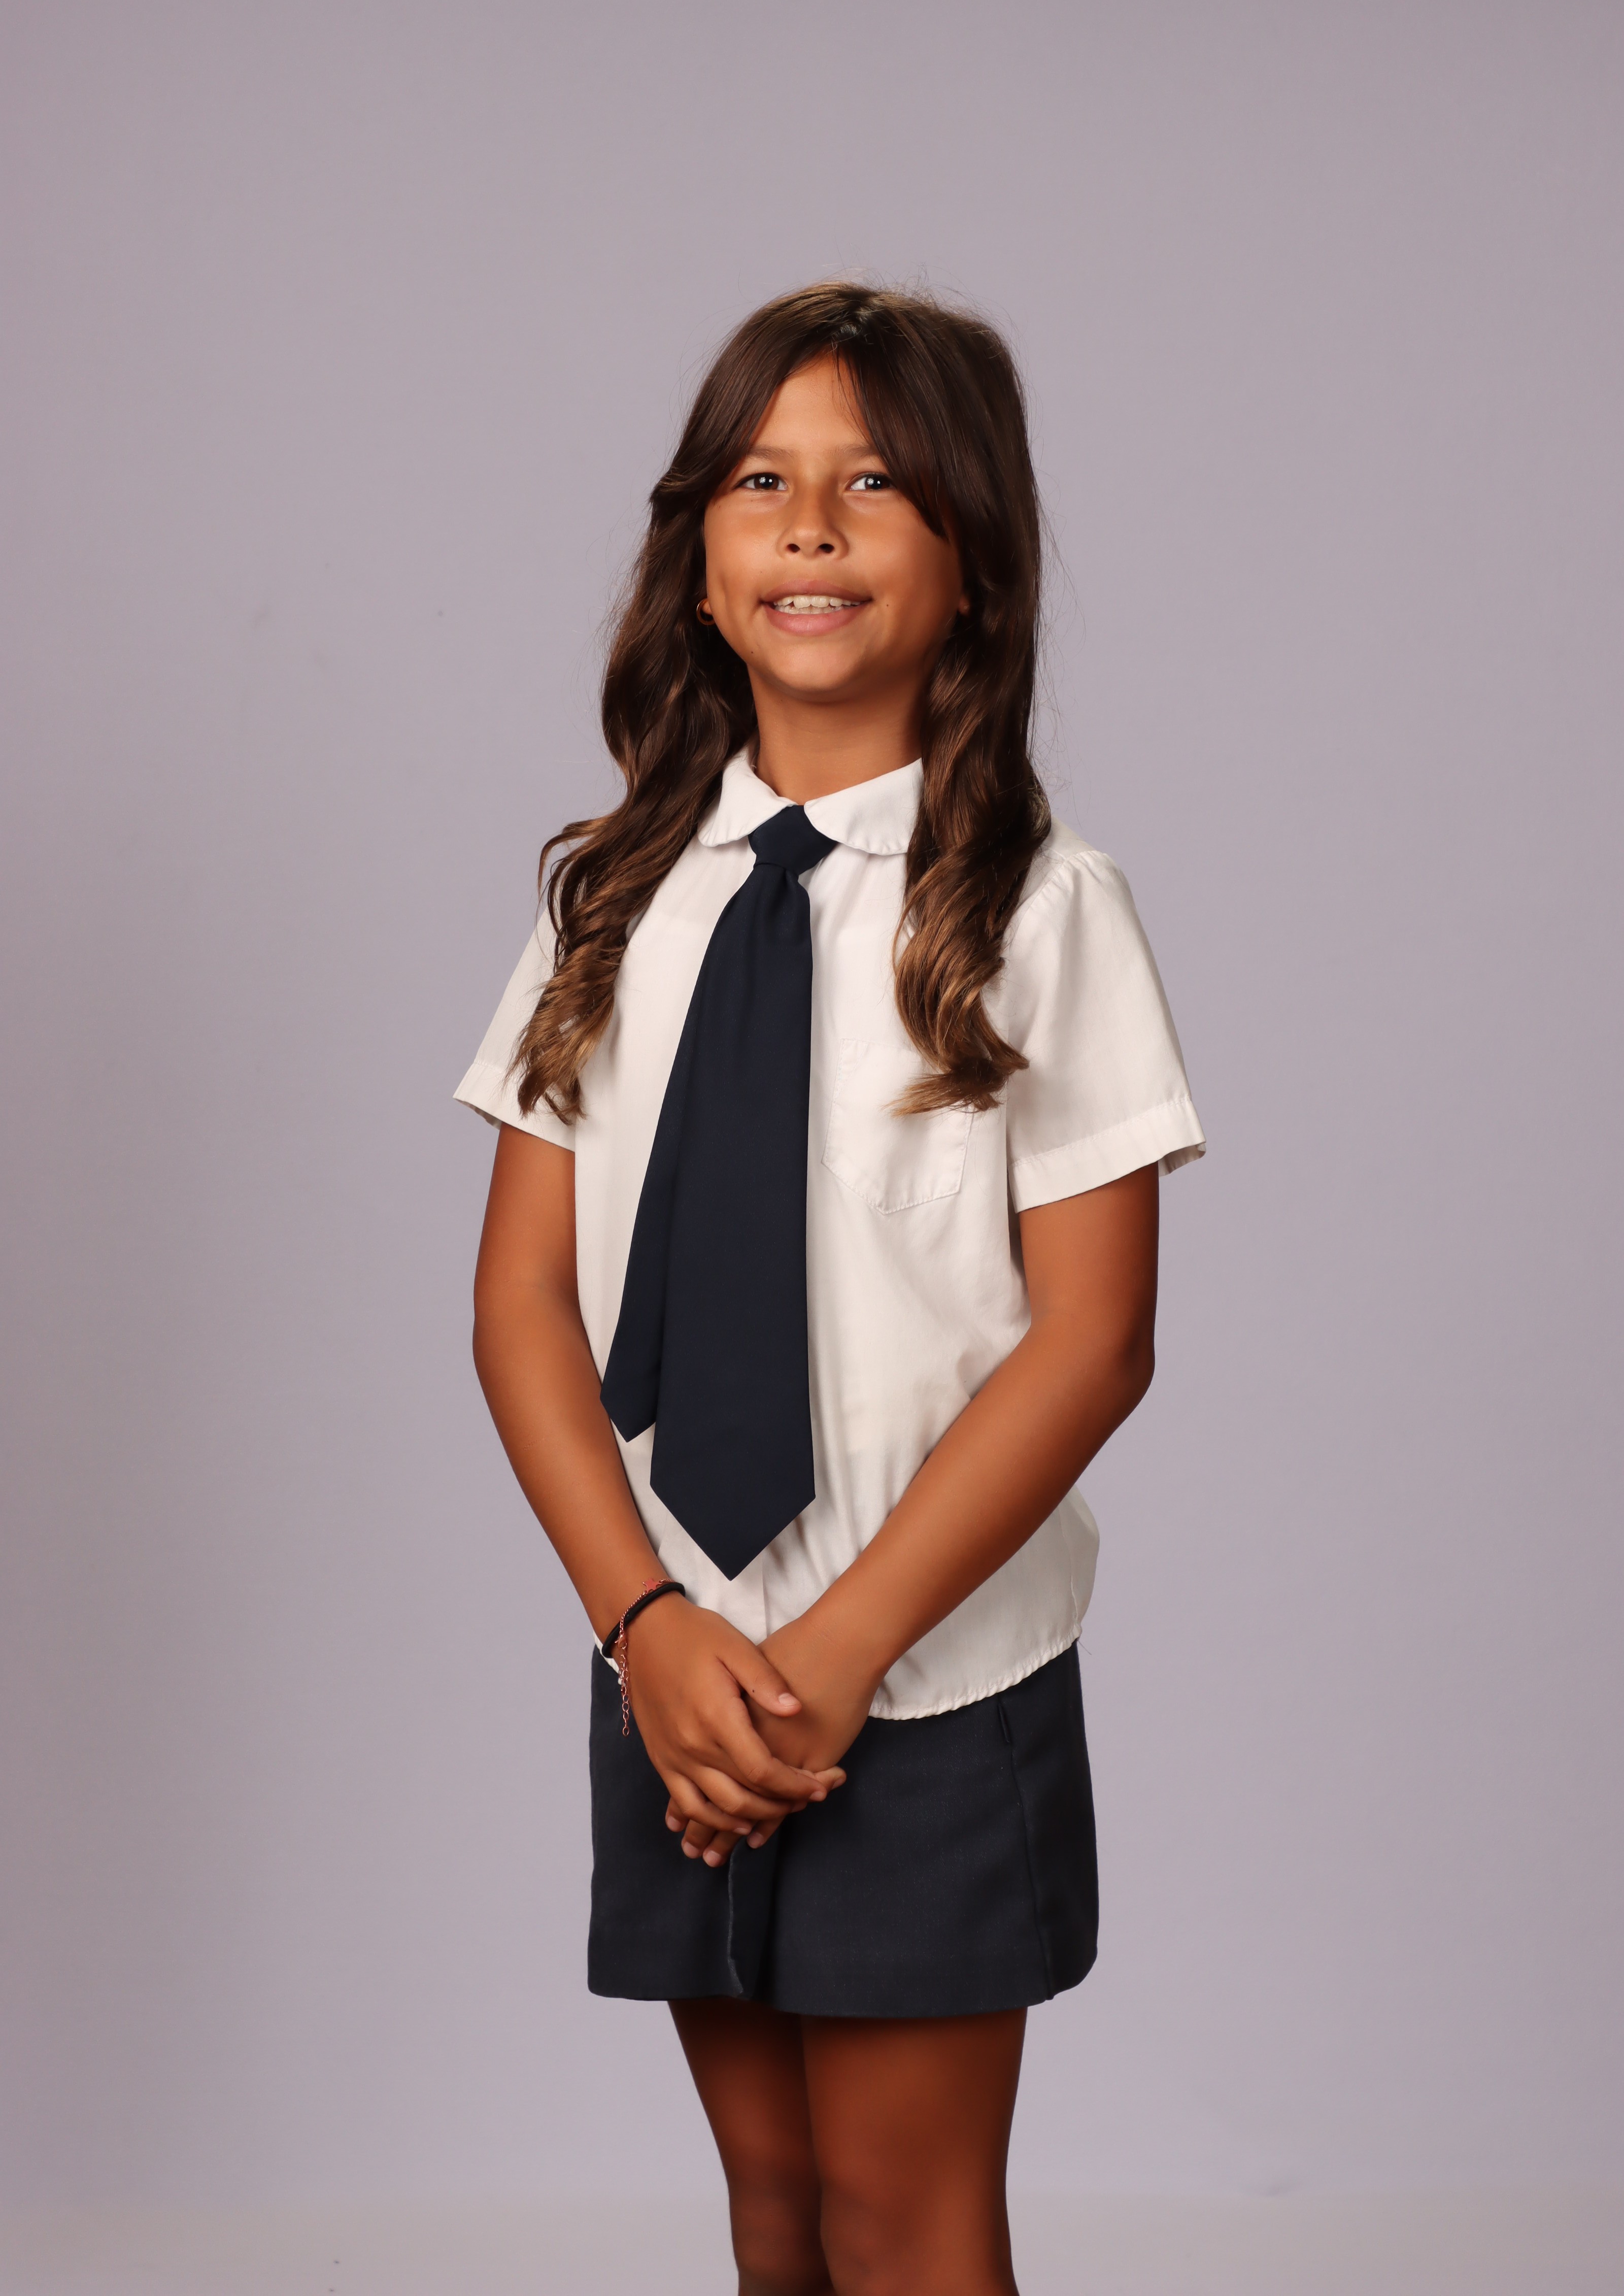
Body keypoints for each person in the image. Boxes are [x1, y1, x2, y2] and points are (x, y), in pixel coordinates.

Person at [457, 282, 1204, 2296]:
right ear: (697, 564)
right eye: (759, 482)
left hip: (922, 1681)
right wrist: (645, 1627)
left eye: (872, 484)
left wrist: (846, 1650)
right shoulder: (606, 900)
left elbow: (1095, 1338)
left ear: (973, 562)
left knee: (903, 2222)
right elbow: (519, 1305)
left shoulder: (1039, 910)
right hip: (681, 1670)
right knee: (774, 2214)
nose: (807, 524)